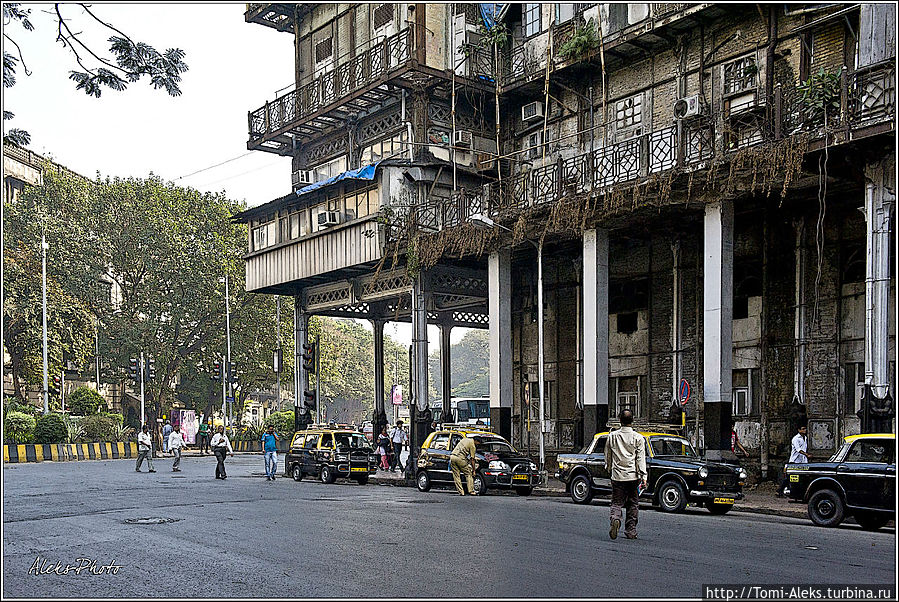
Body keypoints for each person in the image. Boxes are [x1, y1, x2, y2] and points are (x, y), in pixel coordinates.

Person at [605, 409, 647, 540]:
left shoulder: (612, 436)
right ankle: (631, 530)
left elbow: (608, 455)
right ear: (632, 420)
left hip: (617, 475)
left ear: (619, 420)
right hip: (633, 476)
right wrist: (644, 476)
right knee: (633, 503)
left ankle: (615, 518)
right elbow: (640, 459)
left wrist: (609, 468)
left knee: (617, 502)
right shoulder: (638, 438)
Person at [777, 424, 808, 496]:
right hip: (794, 461)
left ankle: (795, 492)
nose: (805, 430)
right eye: (803, 429)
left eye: (805, 429)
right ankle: (780, 490)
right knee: (790, 477)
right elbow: (798, 449)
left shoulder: (805, 438)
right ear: (799, 430)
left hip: (802, 461)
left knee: (799, 477)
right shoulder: (795, 439)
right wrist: (806, 454)